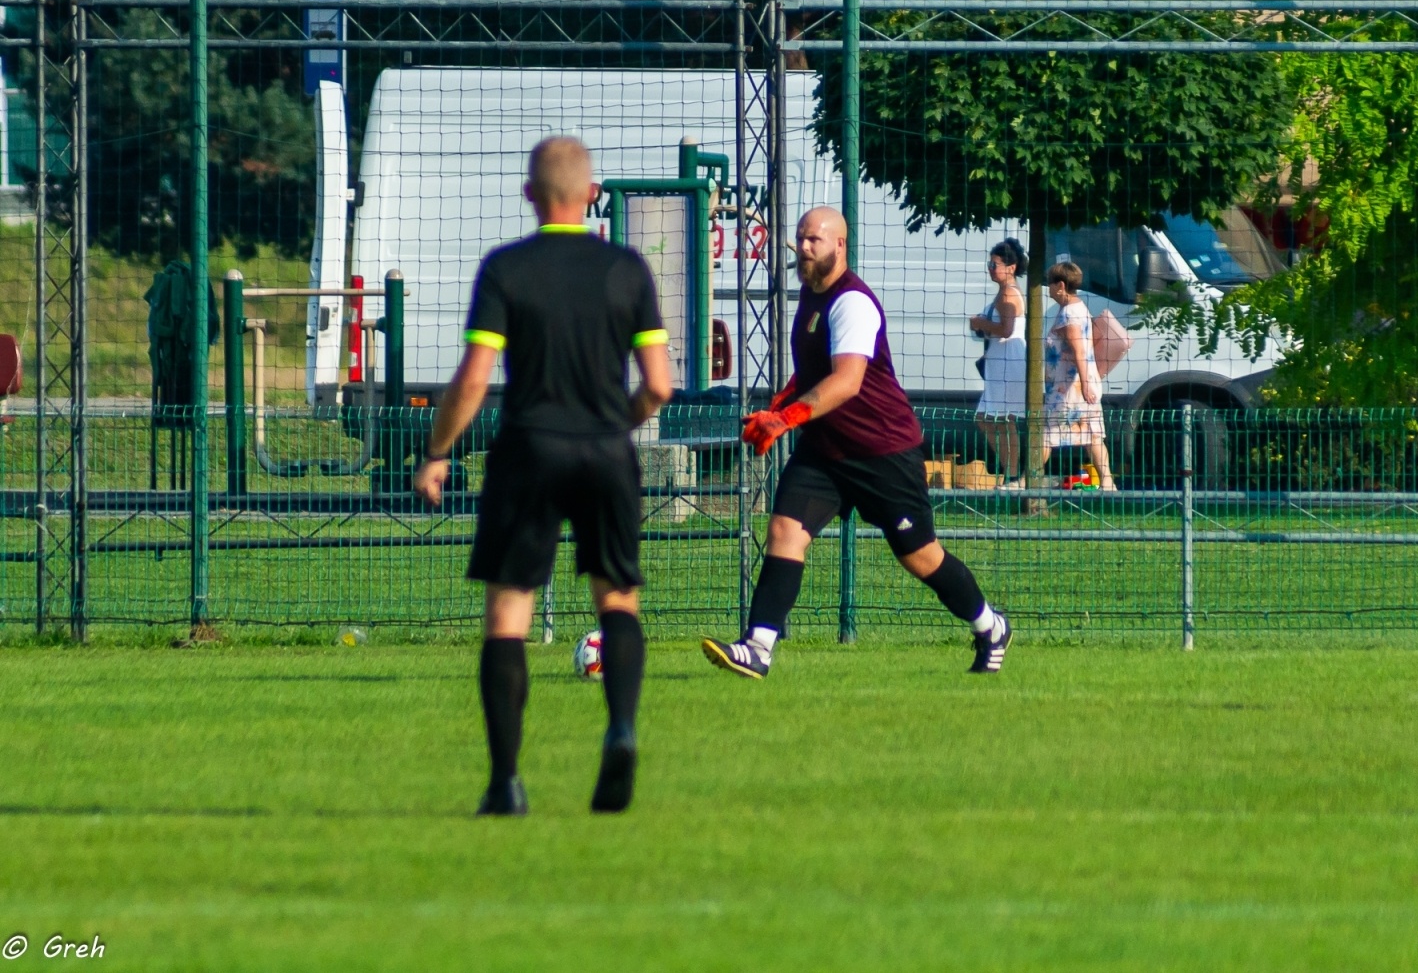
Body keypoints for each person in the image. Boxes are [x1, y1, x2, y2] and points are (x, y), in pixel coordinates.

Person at [413, 136, 673, 816]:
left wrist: (438, 450)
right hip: (606, 450)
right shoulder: (626, 270)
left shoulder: (507, 269)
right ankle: (619, 727)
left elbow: (473, 379)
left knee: (508, 616)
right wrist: (618, 421)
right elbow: (660, 387)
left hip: (527, 449)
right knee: (617, 603)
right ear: (592, 195)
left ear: (531, 195)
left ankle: (506, 782)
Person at [700, 207, 1011, 679]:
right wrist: (778, 408)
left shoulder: (852, 303)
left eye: (815, 241)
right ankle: (758, 647)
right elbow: (811, 374)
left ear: (840, 246)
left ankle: (990, 627)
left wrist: (785, 420)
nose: (804, 248)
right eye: (802, 239)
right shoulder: (810, 295)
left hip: (882, 451)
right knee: (784, 530)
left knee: (920, 556)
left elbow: (846, 382)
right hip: (826, 451)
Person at [1044, 262, 1116, 490]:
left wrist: (1084, 383)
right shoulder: (1080, 307)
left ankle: (1028, 479)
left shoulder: (1068, 314)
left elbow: (1078, 350)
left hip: (1070, 388)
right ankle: (1107, 482)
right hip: (1083, 384)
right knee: (1092, 434)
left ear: (1060, 286)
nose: (1048, 288)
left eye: (1050, 283)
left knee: (1046, 432)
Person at [969, 238, 1028, 485]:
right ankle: (1009, 470)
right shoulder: (1001, 293)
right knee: (985, 418)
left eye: (995, 265)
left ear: (1011, 267)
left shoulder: (1008, 295)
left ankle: (1014, 475)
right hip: (997, 360)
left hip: (1008, 361)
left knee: (1005, 419)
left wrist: (981, 323)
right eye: (989, 264)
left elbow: (1006, 329)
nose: (991, 269)